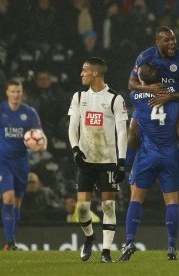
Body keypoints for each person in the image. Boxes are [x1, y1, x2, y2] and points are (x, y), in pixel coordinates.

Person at [126, 26, 179, 200]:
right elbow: (131, 83)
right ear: (158, 41)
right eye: (167, 40)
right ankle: (121, 172)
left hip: (174, 102)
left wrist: (171, 96)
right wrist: (147, 88)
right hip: (147, 99)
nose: (172, 43)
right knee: (133, 134)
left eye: (173, 39)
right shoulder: (145, 57)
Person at [118, 63, 179, 262]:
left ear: (143, 81)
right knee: (172, 201)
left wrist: (125, 163)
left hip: (146, 154)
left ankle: (129, 241)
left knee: (136, 198)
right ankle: (171, 246)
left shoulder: (135, 97)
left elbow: (133, 133)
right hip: (170, 154)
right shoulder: (173, 95)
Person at [67, 57, 128, 263]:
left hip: (107, 162)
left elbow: (122, 132)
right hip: (86, 161)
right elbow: (72, 127)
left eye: (84, 70)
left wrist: (121, 161)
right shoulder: (79, 97)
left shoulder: (115, 99)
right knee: (82, 209)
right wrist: (76, 150)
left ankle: (106, 252)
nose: (81, 73)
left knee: (108, 207)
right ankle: (90, 238)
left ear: (96, 73)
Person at [0, 79, 47, 251]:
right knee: (7, 198)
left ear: (22, 92)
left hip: (21, 162)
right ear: (7, 92)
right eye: (13, 91)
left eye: (18, 91)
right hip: (2, 161)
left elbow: (41, 136)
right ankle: (9, 241)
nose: (16, 94)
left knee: (16, 203)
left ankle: (12, 240)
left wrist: (42, 145)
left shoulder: (29, 113)